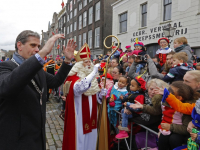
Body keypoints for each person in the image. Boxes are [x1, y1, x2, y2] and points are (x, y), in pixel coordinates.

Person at [0, 30, 75, 150]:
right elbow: (7, 88)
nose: (37, 49)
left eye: (39, 46)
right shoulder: (5, 67)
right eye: (33, 45)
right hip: (16, 142)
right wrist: (43, 52)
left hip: (37, 138)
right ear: (19, 45)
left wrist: (67, 61)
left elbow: (55, 81)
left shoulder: (37, 70)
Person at [62, 43, 107, 150]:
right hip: (79, 115)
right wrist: (93, 73)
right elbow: (80, 88)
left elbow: (96, 99)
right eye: (85, 62)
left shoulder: (93, 79)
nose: (89, 64)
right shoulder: (73, 78)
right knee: (80, 140)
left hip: (92, 115)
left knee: (92, 138)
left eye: (89, 61)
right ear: (79, 64)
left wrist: (101, 95)